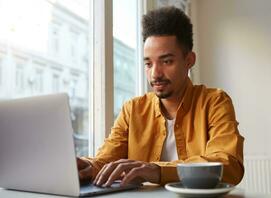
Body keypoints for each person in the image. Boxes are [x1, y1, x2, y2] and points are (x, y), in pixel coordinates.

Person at [77, 6, 244, 187]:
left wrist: (157, 170)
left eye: (166, 61)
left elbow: (228, 165)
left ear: (189, 60)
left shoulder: (215, 102)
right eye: (148, 63)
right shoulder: (132, 110)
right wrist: (87, 166)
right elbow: (105, 160)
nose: (155, 73)